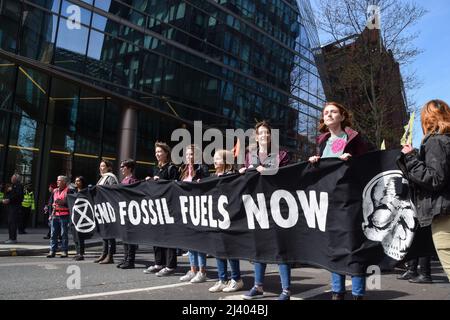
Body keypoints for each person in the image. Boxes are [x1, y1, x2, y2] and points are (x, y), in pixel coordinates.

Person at [308, 102, 369, 300]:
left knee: (352, 245)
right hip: (329, 201)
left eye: (333, 112)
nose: (329, 115)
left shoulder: (354, 138)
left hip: (350, 200)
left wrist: (353, 160)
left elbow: (368, 164)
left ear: (342, 116)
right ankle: (338, 291)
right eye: (326, 113)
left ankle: (358, 293)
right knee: (334, 245)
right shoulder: (322, 141)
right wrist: (315, 162)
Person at [398, 99, 450, 282]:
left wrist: (411, 158)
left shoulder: (436, 141)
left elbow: (435, 179)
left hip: (444, 216)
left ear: (427, 119)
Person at [241, 121, 291, 301]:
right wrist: (245, 171)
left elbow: (285, 175)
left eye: (266, 133)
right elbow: (249, 176)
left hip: (277, 204)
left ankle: (286, 290)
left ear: (271, 135)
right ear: (256, 136)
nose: (263, 135)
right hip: (257, 204)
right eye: (260, 133)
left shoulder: (281, 154)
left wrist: (266, 170)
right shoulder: (250, 155)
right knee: (259, 247)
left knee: (280, 247)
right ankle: (258, 286)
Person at [208, 149, 244, 293]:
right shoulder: (212, 176)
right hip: (216, 218)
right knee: (219, 250)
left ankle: (236, 279)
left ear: (226, 161)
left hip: (230, 219)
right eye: (214, 158)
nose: (215, 161)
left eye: (217, 158)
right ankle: (222, 279)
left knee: (230, 250)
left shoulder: (232, 176)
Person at [143, 142, 179, 276]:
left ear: (166, 153)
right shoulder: (156, 169)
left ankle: (170, 265)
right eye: (156, 152)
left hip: (168, 208)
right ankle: (159, 263)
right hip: (156, 208)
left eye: (160, 151)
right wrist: (151, 180)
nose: (157, 154)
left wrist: (161, 181)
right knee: (156, 235)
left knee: (168, 236)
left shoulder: (171, 168)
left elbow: (175, 187)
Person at [177, 145, 210, 283]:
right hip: (187, 210)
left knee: (199, 242)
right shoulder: (183, 170)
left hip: (199, 209)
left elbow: (207, 186)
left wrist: (199, 182)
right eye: (187, 154)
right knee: (190, 241)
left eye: (192, 154)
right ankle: (193, 270)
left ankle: (202, 272)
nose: (189, 157)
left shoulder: (202, 169)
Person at [94, 159, 119, 264]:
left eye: (103, 166)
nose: (101, 168)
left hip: (108, 209)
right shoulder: (102, 178)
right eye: (100, 166)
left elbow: (112, 191)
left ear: (109, 168)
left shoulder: (111, 178)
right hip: (102, 209)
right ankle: (104, 253)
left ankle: (110, 255)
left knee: (110, 233)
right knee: (104, 233)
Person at [117, 159, 139, 269]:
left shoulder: (133, 180)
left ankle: (130, 260)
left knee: (130, 237)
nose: (121, 169)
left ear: (129, 168)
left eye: (123, 166)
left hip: (130, 213)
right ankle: (126, 258)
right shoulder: (124, 180)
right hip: (124, 212)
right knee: (125, 237)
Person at [47, 175, 72, 258]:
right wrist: (50, 214)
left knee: (63, 234)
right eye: (57, 180)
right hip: (55, 215)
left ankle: (64, 251)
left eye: (59, 180)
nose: (57, 182)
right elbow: (51, 203)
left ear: (64, 182)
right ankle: (52, 251)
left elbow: (71, 203)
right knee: (53, 234)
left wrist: (63, 202)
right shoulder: (54, 191)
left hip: (64, 216)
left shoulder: (68, 191)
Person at [2, 174, 24, 244]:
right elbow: (8, 194)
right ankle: (11, 237)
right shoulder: (12, 185)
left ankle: (13, 238)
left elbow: (18, 196)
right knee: (10, 222)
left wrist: (9, 200)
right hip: (11, 206)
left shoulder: (18, 186)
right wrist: (6, 197)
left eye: (12, 177)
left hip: (15, 207)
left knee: (12, 222)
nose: (11, 178)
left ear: (16, 179)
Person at [71, 176, 89, 261]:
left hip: (82, 217)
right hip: (74, 216)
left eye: (78, 181)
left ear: (82, 182)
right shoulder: (74, 191)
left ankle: (81, 253)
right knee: (75, 236)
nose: (76, 182)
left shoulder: (85, 192)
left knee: (80, 236)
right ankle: (77, 252)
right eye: (75, 181)